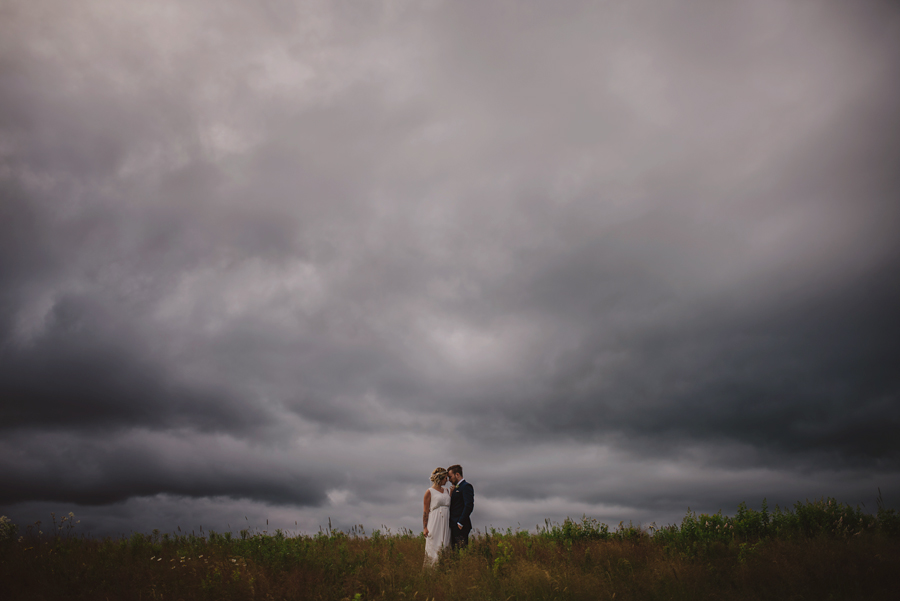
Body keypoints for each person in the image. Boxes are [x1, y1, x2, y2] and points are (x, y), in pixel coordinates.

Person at [422, 467, 451, 566]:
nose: (447, 480)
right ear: (440, 478)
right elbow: (425, 511)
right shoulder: (429, 492)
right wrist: (425, 527)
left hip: (446, 521)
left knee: (446, 544)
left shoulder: (447, 490)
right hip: (435, 521)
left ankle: (444, 568)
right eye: (445, 478)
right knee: (434, 544)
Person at [447, 464, 474, 549]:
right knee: (454, 552)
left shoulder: (466, 486)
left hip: (461, 525)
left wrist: (460, 522)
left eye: (450, 477)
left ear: (457, 475)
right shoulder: (455, 488)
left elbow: (469, 505)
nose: (449, 480)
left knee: (461, 550)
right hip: (454, 524)